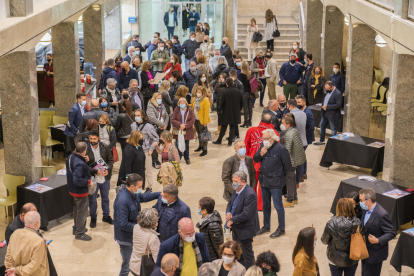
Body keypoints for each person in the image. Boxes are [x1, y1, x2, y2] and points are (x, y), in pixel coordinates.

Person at [114, 174, 161, 276]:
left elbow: (143, 196)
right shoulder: (123, 201)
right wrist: (142, 227)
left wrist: (159, 194)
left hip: (132, 235)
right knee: (127, 265)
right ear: (132, 186)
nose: (141, 188)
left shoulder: (133, 193)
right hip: (125, 239)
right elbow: (122, 224)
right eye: (140, 186)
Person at [253, 129, 291, 238]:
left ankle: (281, 228)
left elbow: (287, 167)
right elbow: (255, 159)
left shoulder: (281, 149)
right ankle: (266, 226)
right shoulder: (262, 146)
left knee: (278, 206)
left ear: (273, 138)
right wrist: (260, 153)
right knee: (265, 205)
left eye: (267, 138)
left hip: (276, 183)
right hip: (264, 181)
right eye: (263, 138)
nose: (264, 141)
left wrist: (280, 180)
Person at [225, 171, 259, 269]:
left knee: (247, 255)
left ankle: (251, 272)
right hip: (236, 228)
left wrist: (232, 220)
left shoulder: (250, 194)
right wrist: (228, 213)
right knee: (238, 252)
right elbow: (230, 204)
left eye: (235, 181)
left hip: (245, 229)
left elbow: (246, 214)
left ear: (243, 182)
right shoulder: (237, 190)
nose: (233, 183)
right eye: (233, 181)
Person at [359, 188, 396, 276]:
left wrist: (378, 240)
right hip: (365, 251)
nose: (360, 202)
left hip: (375, 254)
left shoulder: (382, 214)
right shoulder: (365, 209)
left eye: (361, 200)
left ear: (368, 201)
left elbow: (391, 233)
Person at [245, 114, 278, 211]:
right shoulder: (274, 133)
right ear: (271, 122)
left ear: (260, 120)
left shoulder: (251, 130)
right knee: (264, 187)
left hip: (252, 163)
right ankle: (261, 206)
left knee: (251, 185)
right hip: (267, 165)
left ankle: (251, 204)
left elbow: (246, 147)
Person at [321, 198, 360, 276]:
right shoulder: (358, 222)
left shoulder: (331, 223)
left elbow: (324, 241)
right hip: (352, 259)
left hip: (334, 259)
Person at [5, 211, 49, 276]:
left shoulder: (15, 233)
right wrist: (16, 270)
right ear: (37, 223)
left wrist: (11, 271)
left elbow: (8, 256)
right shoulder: (38, 241)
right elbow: (33, 265)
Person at [85, 130, 114, 228]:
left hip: (105, 177)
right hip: (93, 178)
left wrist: (107, 169)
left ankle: (106, 215)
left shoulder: (105, 147)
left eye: (94, 139)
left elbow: (111, 160)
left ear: (99, 138)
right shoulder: (86, 149)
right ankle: (93, 217)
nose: (92, 141)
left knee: (105, 198)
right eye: (90, 139)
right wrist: (95, 171)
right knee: (92, 199)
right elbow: (85, 166)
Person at [66, 142, 93, 241]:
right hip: (80, 191)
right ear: (84, 151)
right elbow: (77, 179)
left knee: (76, 210)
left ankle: (76, 228)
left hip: (72, 189)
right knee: (82, 212)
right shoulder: (80, 164)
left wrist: (84, 160)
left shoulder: (70, 157)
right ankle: (80, 233)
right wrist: (88, 181)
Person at [280, 116, 305, 207]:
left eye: (282, 123)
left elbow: (287, 150)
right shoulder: (294, 130)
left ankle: (290, 200)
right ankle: (294, 197)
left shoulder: (288, 135)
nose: (281, 125)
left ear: (288, 124)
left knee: (289, 179)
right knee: (293, 178)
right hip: (296, 158)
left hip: (290, 161)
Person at [131, 109, 159, 192]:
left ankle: (149, 187)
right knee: (136, 170)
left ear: (142, 116)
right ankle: (137, 186)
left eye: (138, 115)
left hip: (146, 151)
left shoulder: (148, 126)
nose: (137, 117)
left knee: (148, 170)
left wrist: (151, 149)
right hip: (135, 151)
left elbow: (156, 138)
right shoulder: (132, 125)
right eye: (135, 115)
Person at [130, 208, 160, 276]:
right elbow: (157, 259)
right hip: (144, 268)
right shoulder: (153, 238)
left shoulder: (136, 227)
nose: (157, 223)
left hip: (134, 264)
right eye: (156, 221)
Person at [213, 78, 243, 146]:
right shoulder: (238, 91)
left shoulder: (225, 92)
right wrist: (239, 109)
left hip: (226, 112)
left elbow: (222, 102)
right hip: (235, 112)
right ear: (233, 83)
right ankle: (230, 142)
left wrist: (219, 110)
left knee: (224, 126)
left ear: (226, 84)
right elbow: (242, 102)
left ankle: (219, 140)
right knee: (232, 127)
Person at [314, 81, 342, 145]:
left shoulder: (338, 93)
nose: (327, 90)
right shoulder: (328, 92)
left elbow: (338, 104)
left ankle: (333, 143)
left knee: (333, 129)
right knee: (321, 125)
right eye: (326, 88)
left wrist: (328, 107)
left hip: (332, 114)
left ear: (332, 86)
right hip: (325, 113)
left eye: (328, 88)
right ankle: (322, 141)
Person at [196, 197, 224, 261]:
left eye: (199, 207)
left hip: (212, 259)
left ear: (204, 210)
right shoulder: (205, 219)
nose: (198, 209)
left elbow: (218, 246)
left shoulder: (213, 225)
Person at [287, 99, 307, 184]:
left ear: (290, 106)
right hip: (304, 141)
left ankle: (293, 182)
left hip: (294, 143)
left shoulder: (290, 115)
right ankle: (299, 179)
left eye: (287, 106)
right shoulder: (303, 113)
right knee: (301, 161)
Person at [171, 98, 196, 164]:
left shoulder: (189, 110)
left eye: (183, 102)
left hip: (187, 130)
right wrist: (179, 125)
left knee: (186, 145)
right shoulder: (176, 110)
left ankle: (187, 158)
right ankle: (178, 158)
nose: (182, 104)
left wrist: (185, 125)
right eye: (181, 103)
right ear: (179, 103)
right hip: (178, 130)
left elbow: (193, 120)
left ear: (186, 103)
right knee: (178, 144)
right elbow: (172, 120)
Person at [296, 95, 314, 180]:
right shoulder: (300, 111)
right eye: (297, 102)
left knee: (300, 156)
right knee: (302, 155)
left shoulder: (308, 112)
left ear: (304, 102)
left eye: (299, 102)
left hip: (305, 138)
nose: (297, 104)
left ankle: (301, 174)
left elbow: (311, 127)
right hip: (302, 138)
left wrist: (303, 136)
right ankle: (303, 173)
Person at [190, 87, 211, 156]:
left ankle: (205, 149)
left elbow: (206, 112)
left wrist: (205, 122)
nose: (198, 93)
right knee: (199, 133)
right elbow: (193, 106)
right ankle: (200, 146)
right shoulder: (196, 99)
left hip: (202, 120)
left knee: (204, 134)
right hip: (196, 119)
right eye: (197, 92)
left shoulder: (205, 100)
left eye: (199, 92)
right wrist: (187, 105)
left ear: (203, 93)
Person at [240, 61, 253, 128]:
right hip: (250, 92)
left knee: (245, 107)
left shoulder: (241, 75)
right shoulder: (250, 73)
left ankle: (246, 121)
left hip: (244, 92)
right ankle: (250, 121)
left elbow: (241, 85)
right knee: (250, 107)